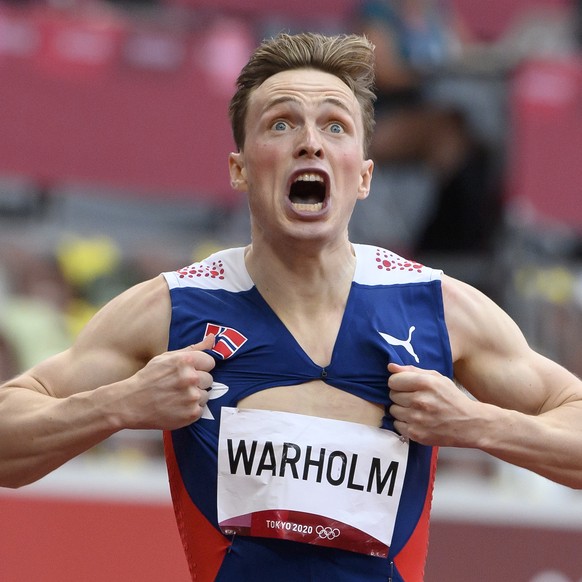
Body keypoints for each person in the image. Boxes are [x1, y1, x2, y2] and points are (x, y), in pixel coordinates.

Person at [0, 32, 581, 582]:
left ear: (363, 176)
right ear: (239, 169)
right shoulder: (173, 307)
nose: (311, 142)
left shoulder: (439, 308)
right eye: (282, 123)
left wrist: (477, 423)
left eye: (335, 124)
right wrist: (120, 405)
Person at [355, 0, 498, 252]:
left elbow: (467, 54)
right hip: (384, 116)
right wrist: (426, 71)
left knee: (472, 136)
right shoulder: (378, 12)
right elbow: (382, 71)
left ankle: (453, 240)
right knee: (452, 138)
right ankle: (444, 244)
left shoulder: (437, 11)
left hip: (433, 110)